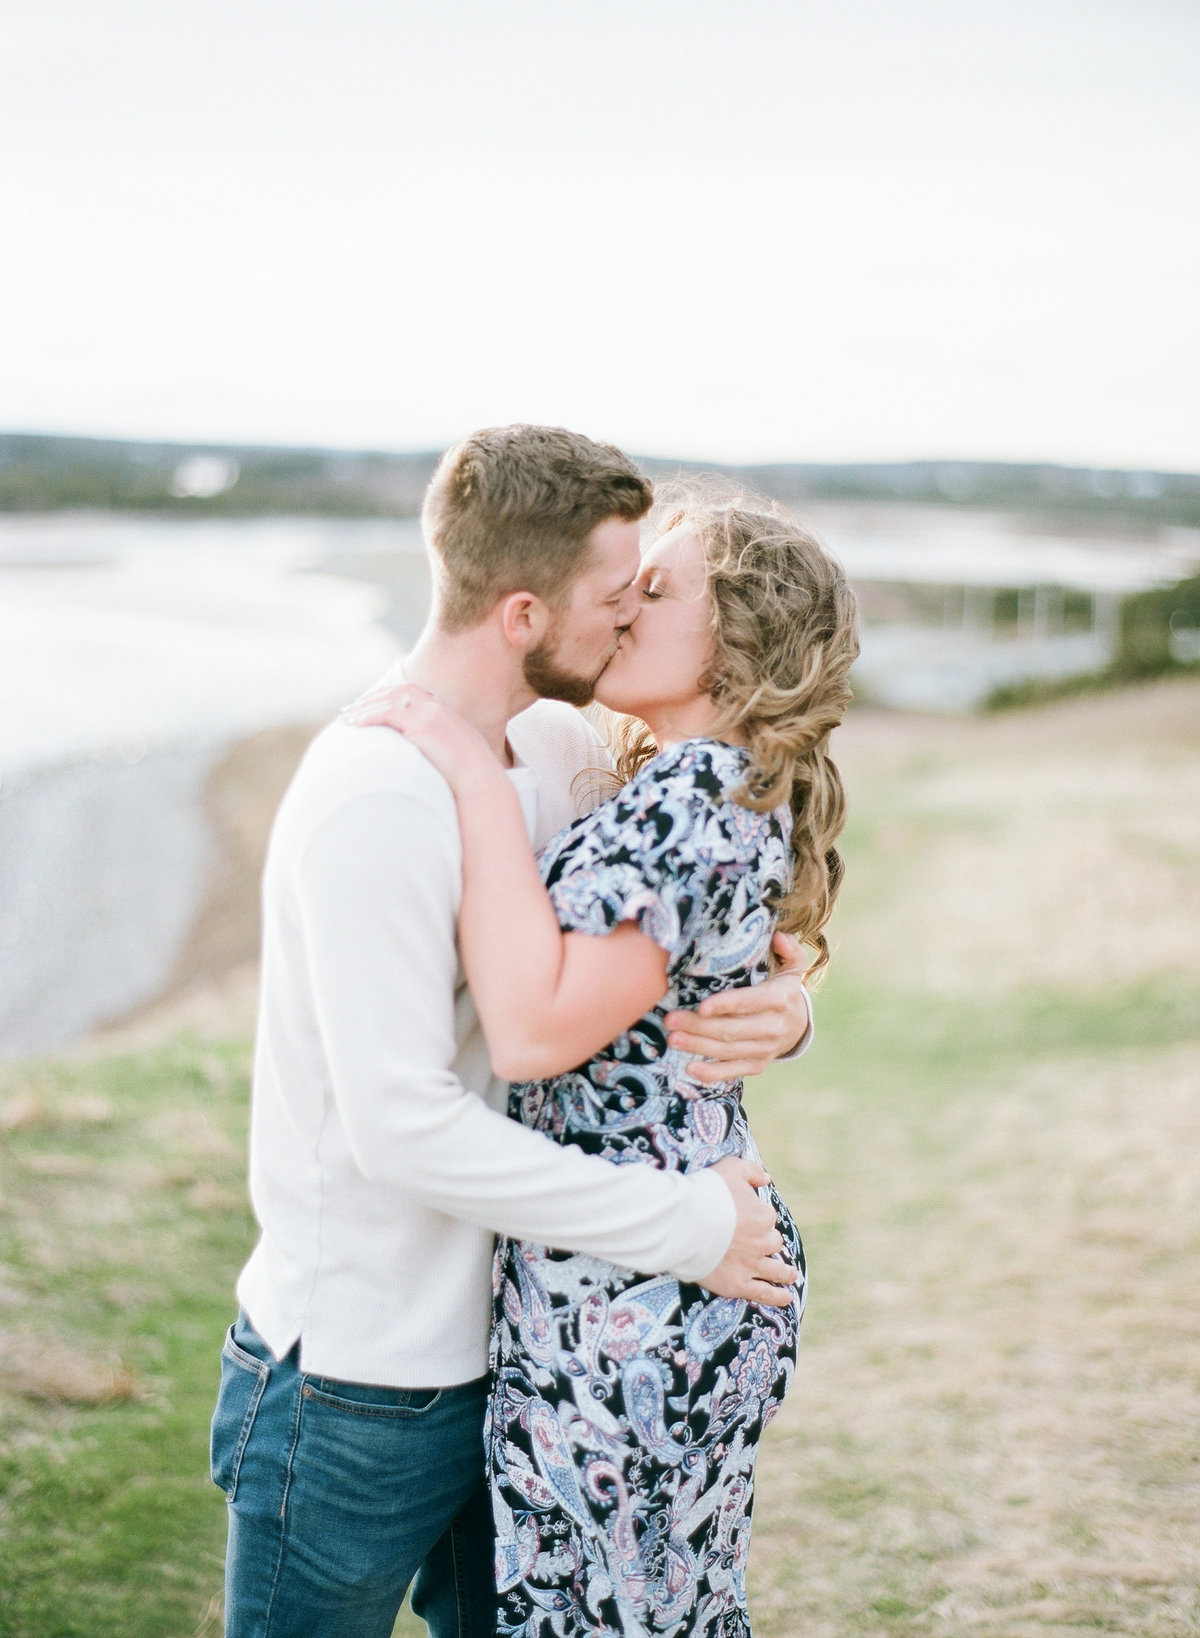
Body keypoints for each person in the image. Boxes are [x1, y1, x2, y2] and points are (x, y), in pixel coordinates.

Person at [211, 427, 815, 1638]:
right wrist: (689, 1224)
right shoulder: (376, 793)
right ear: (526, 611)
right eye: (614, 596)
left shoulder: (557, 746)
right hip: (356, 1385)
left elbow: (690, 895)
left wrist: (789, 1003)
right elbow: (404, 1131)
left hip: (524, 1348)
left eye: (651, 590)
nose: (632, 617)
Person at [351, 488, 858, 1635]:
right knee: (656, 1606)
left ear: (736, 634)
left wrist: (472, 779)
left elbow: (538, 1030)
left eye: (660, 589)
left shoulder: (690, 794)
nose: (628, 609)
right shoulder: (702, 781)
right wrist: (792, 1009)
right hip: (654, 1263)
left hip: (639, 1290)